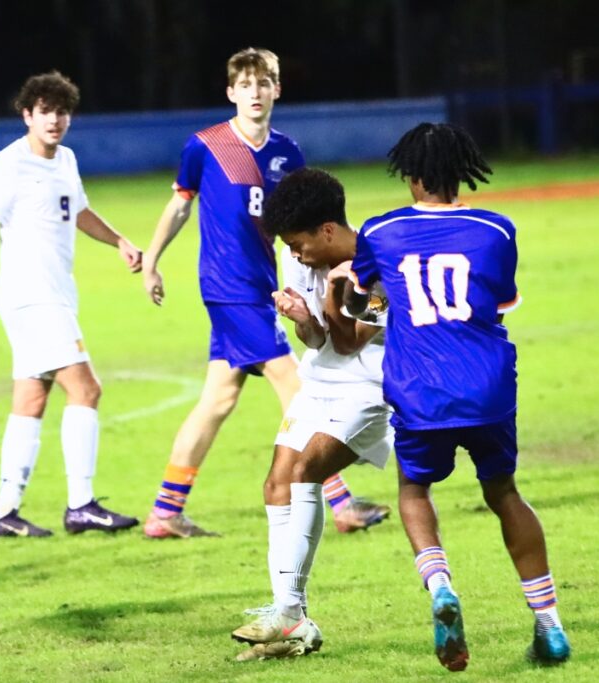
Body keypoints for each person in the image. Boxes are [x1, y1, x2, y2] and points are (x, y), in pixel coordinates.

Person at [343, 123, 570, 670]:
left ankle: (441, 584)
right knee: (504, 494)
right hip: (487, 387)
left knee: (414, 489)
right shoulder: (497, 230)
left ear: (413, 176)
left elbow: (365, 310)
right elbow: (497, 304)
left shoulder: (380, 230)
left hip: (421, 391)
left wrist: (360, 298)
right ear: (459, 171)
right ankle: (549, 623)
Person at [140, 47, 390, 538]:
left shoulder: (288, 153)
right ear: (231, 92)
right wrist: (151, 259)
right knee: (298, 387)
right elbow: (179, 206)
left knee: (216, 400)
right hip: (231, 289)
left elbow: (306, 224)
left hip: (265, 285)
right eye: (246, 85)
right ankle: (341, 502)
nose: (255, 93)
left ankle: (165, 512)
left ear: (278, 89)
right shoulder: (206, 146)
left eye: (264, 83)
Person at [0, 71, 141, 537]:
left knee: (31, 400)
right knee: (87, 390)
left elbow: (80, 211)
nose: (55, 120)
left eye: (62, 111)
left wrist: (119, 242)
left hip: (55, 295)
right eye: (45, 111)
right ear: (27, 114)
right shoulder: (7, 164)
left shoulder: (66, 160)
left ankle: (4, 514)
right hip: (31, 297)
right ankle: (81, 504)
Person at [229, 168, 394, 661]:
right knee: (277, 483)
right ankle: (292, 619)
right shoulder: (296, 253)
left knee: (304, 472)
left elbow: (350, 340)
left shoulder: (379, 265)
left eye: (300, 244)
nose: (296, 255)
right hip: (320, 379)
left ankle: (288, 615)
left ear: (327, 230)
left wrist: (332, 296)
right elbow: (322, 341)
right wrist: (303, 321)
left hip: (370, 386)